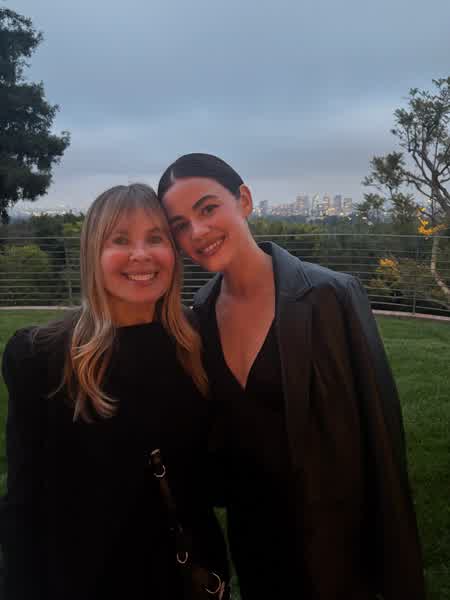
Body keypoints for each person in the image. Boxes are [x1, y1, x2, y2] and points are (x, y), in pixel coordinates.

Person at [158, 153, 426, 600]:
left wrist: (397, 575)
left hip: (337, 549)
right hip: (256, 548)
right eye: (180, 225)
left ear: (244, 200)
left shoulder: (330, 296)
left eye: (208, 209)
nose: (198, 232)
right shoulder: (200, 314)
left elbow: (381, 439)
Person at [0, 183, 228, 600]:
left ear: (173, 253)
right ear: (93, 254)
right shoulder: (40, 357)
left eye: (155, 238)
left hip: (183, 577)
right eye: (119, 240)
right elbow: (24, 500)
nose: (140, 254)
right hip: (85, 580)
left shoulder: (200, 343)